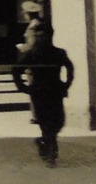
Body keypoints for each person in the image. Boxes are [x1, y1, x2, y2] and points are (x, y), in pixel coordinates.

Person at [12, 23, 75, 167]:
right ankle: (51, 154)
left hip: (55, 90)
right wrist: (23, 87)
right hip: (39, 92)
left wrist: (67, 83)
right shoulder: (31, 54)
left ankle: (43, 143)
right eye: (38, 36)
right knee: (45, 123)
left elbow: (69, 67)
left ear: (50, 36)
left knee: (59, 121)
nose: (41, 39)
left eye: (44, 35)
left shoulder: (59, 53)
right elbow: (16, 70)